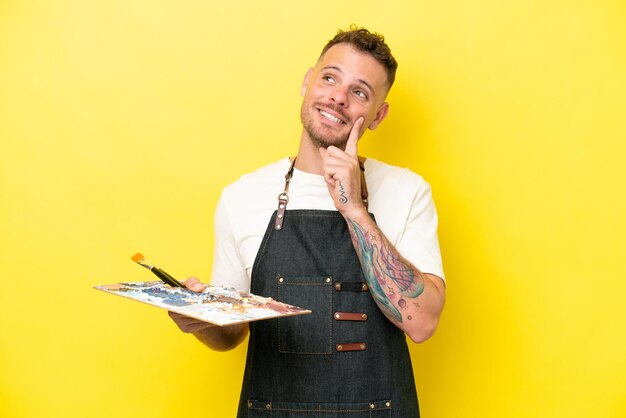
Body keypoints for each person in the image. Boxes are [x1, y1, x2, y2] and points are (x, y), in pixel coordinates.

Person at [169, 26, 446, 417]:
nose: (338, 97)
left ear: (378, 116)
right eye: (330, 77)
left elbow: (421, 323)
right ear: (307, 82)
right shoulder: (242, 196)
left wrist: (354, 210)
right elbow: (230, 335)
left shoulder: (407, 192)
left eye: (360, 92)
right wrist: (201, 319)